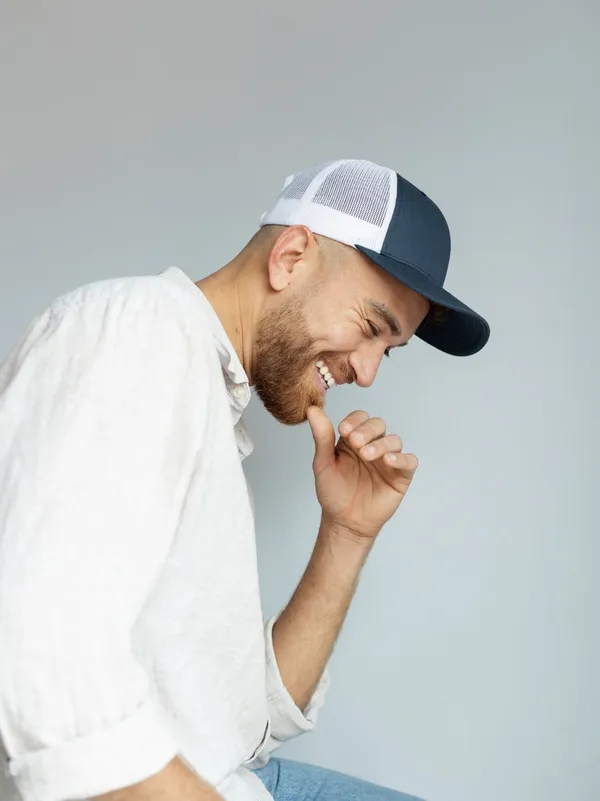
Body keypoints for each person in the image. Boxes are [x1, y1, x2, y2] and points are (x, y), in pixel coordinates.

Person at [0, 159, 490, 801]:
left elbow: (241, 727)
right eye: (371, 328)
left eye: (387, 351)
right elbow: (38, 656)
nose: (368, 373)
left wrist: (348, 532)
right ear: (290, 256)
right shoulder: (138, 332)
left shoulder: (202, 388)